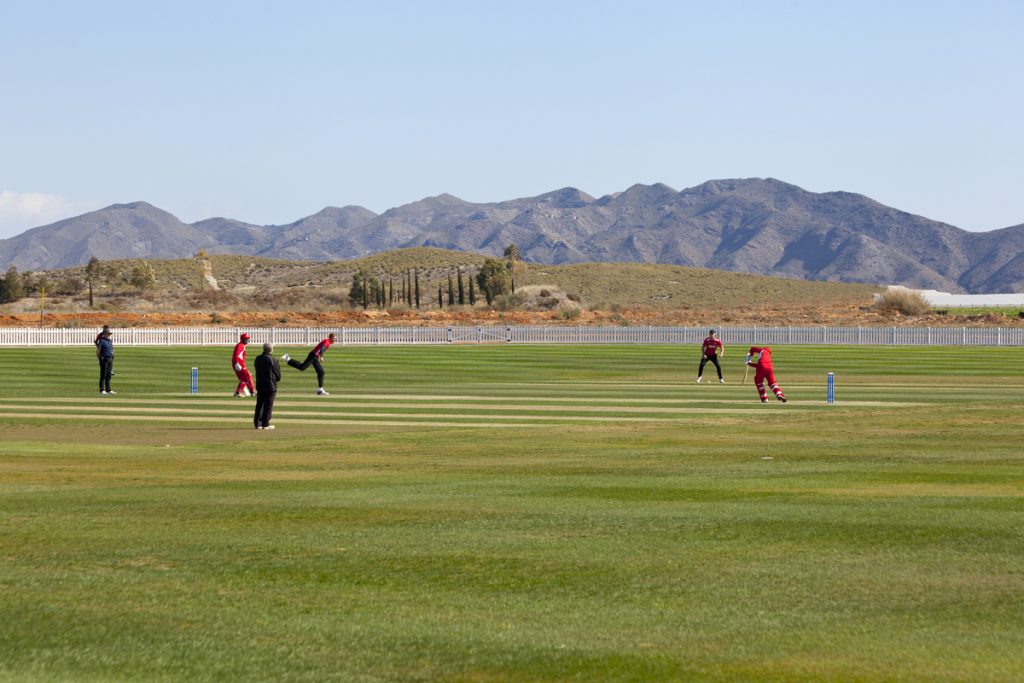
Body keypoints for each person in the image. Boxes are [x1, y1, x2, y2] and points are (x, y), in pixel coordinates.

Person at [253, 342, 281, 430]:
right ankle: (265, 424)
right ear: (271, 349)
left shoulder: (257, 358)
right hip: (270, 385)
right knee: (268, 404)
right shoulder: (273, 359)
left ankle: (258, 423)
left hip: (260, 384)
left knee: (259, 404)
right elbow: (278, 375)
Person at [231, 332, 255, 397]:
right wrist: (237, 363)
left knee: (244, 379)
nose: (248, 340)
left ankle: (238, 392)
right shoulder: (240, 345)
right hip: (239, 364)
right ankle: (252, 392)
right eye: (246, 339)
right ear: (243, 339)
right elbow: (236, 354)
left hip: (239, 364)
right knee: (248, 376)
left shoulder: (241, 345)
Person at [97, 329, 115, 395]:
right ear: (104, 334)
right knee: (103, 375)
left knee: (108, 375)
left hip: (110, 359)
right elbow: (98, 351)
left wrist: (112, 356)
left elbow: (112, 349)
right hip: (104, 359)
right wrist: (100, 359)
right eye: (108, 333)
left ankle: (108, 390)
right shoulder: (101, 341)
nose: (109, 335)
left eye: (110, 334)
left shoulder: (110, 341)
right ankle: (102, 390)